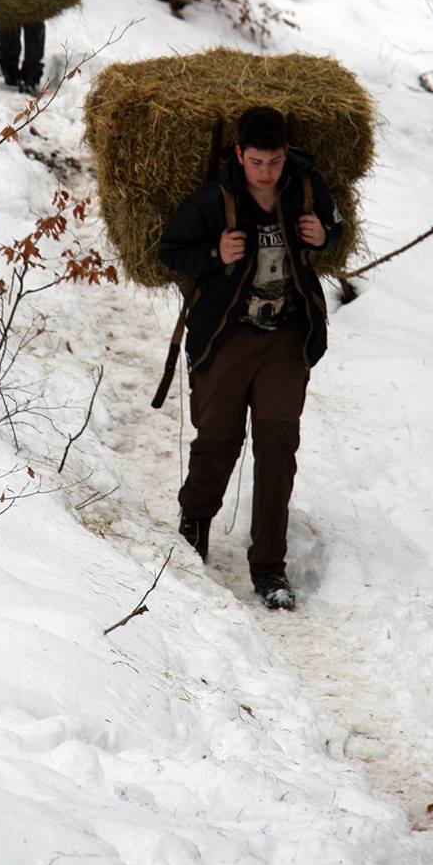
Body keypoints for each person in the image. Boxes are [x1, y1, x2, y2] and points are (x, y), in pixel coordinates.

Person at [158, 106, 341, 611]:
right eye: (257, 162)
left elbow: (336, 227)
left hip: (287, 337)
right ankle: (195, 523)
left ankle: (269, 567)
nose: (266, 172)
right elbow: (169, 250)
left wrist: (324, 235)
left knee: (277, 448)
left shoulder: (306, 187)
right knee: (218, 440)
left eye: (275, 161)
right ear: (239, 154)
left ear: (286, 153)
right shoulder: (216, 199)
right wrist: (214, 254)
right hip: (226, 334)